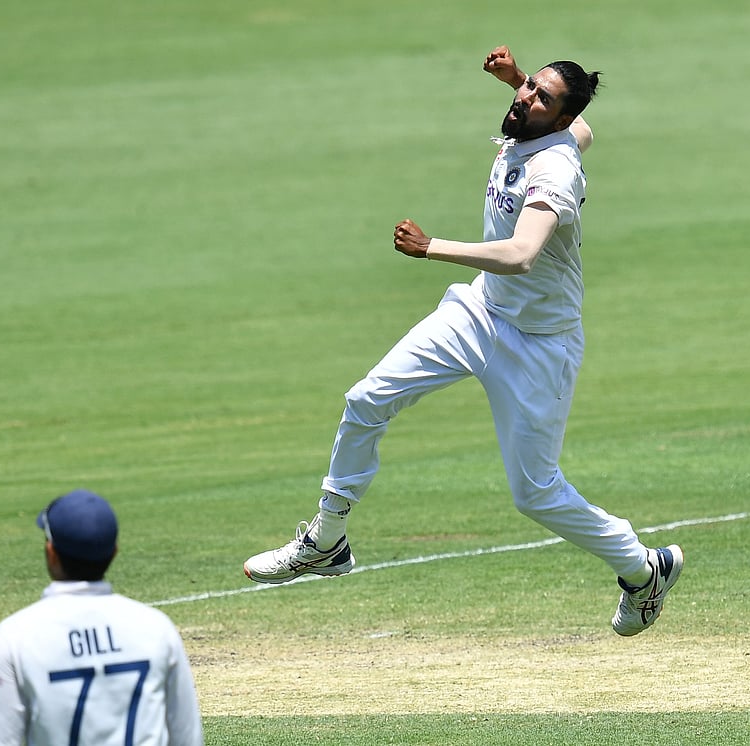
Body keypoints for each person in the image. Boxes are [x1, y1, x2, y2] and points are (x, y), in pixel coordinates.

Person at [243, 46, 683, 636]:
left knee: (535, 493)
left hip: (538, 345)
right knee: (366, 398)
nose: (525, 98)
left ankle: (640, 569)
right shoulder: (551, 131)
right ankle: (325, 540)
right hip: (479, 311)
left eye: (539, 98)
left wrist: (432, 248)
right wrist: (520, 77)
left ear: (553, 121)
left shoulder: (554, 168)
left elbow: (522, 255)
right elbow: (585, 126)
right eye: (530, 88)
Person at [0, 489, 203, 746]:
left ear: (51, 553)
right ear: (114, 552)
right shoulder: (156, 627)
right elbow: (188, 738)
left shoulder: (16, 634)